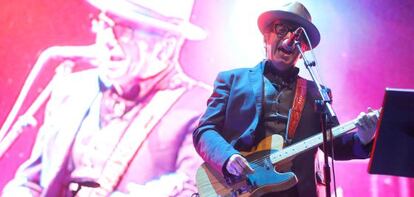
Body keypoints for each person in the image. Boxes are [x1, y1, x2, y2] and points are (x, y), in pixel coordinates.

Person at [2, 0, 211, 196]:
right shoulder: (72, 88)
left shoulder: (204, 109)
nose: (108, 39)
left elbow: (194, 189)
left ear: (166, 47)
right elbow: (31, 180)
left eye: (124, 29)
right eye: (104, 23)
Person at [193, 2, 378, 197]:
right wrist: (228, 157)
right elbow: (204, 130)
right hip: (239, 188)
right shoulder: (232, 80)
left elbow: (336, 146)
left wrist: (365, 139)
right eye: (281, 30)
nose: (290, 38)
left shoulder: (317, 93)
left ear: (303, 49)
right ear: (266, 37)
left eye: (298, 36)